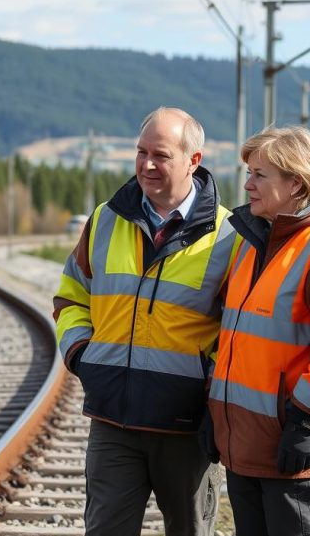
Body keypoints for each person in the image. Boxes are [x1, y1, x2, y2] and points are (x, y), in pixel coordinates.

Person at [53, 107, 239, 536]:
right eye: (140, 152)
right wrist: (83, 355)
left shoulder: (228, 235)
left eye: (160, 155)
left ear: (194, 160)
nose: (146, 165)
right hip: (113, 421)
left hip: (186, 428)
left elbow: (238, 326)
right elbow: (71, 296)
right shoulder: (105, 219)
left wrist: (210, 380)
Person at [200, 126, 310, 536]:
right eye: (249, 173)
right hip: (244, 442)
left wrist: (306, 423)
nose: (247, 184)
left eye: (260, 175)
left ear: (295, 183)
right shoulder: (251, 241)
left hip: (290, 446)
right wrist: (214, 409)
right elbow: (234, 338)